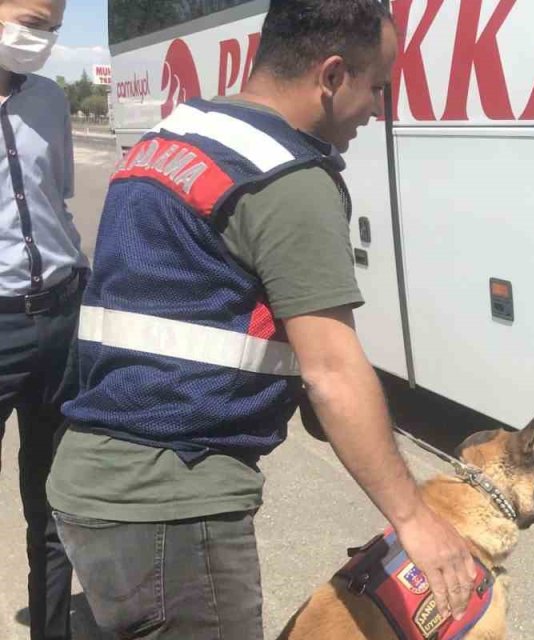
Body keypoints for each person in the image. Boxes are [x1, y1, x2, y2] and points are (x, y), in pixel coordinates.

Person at [46, 1, 475, 637]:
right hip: (173, 503)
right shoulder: (286, 177)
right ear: (331, 76)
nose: (379, 109)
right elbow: (332, 369)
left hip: (89, 483)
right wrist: (414, 519)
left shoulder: (170, 139)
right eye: (376, 86)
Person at [0, 0, 78, 638]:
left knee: (54, 505)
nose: (41, 38)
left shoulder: (50, 101)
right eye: (30, 21)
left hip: (60, 317)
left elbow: (56, 202)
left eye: (50, 27)